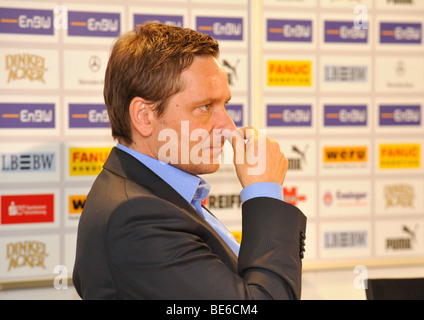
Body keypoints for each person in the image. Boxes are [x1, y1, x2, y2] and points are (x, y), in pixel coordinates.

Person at [72, 21, 307, 300]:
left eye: (225, 105)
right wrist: (264, 193)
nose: (228, 127)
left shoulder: (159, 196)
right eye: (205, 107)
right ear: (144, 117)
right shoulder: (137, 218)